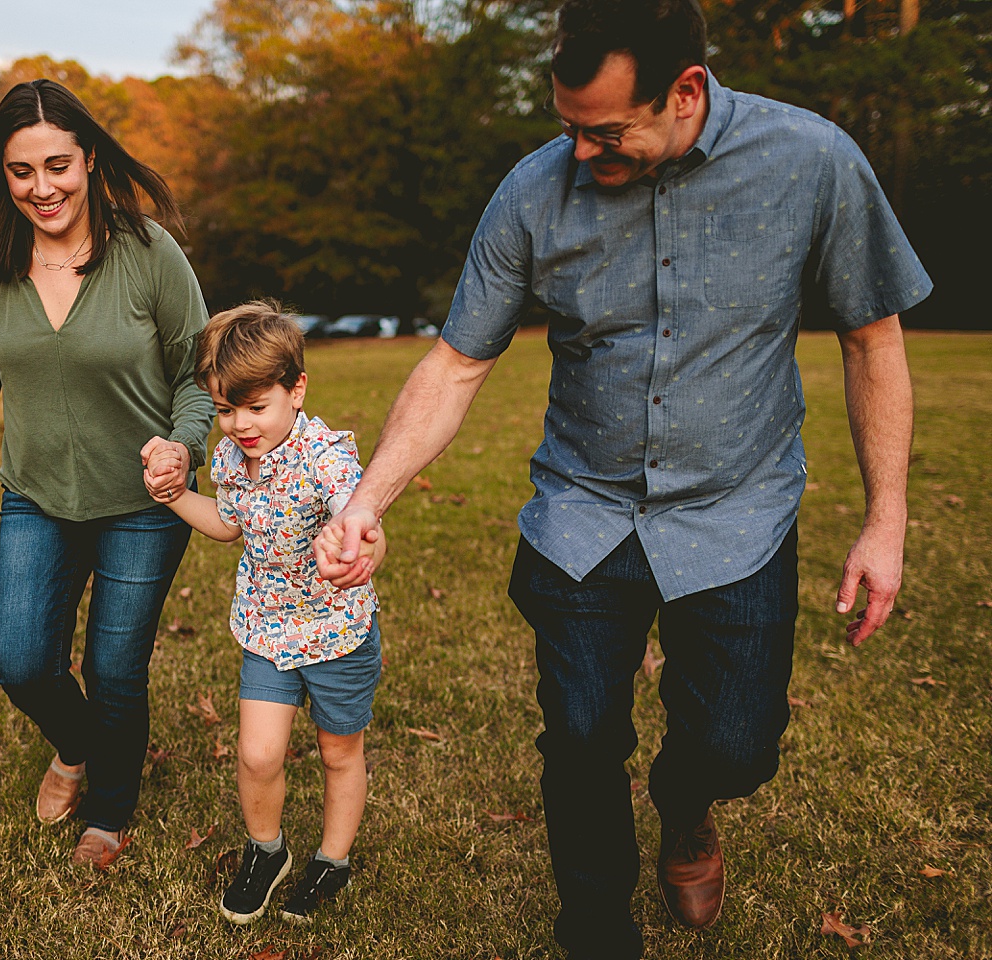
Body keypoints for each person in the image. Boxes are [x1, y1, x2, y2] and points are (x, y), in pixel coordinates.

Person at [313, 0, 930, 956]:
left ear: (685, 92)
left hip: (739, 513)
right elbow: (457, 364)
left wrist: (885, 519)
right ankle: (596, 930)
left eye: (605, 132)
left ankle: (686, 806)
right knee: (582, 741)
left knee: (736, 745)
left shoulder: (813, 162)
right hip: (583, 514)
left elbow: (871, 337)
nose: (580, 153)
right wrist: (365, 502)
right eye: (566, 127)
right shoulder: (531, 191)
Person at [0, 79, 216, 866]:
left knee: (114, 667)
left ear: (90, 160)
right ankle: (77, 745)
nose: (42, 188)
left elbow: (198, 366)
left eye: (57, 165)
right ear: (2, 176)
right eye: (21, 171)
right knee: (23, 663)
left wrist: (182, 446)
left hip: (143, 499)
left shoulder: (146, 251)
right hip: (36, 495)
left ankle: (110, 810)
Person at [144, 301, 385, 923]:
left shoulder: (324, 454)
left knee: (339, 752)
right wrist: (176, 497)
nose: (240, 425)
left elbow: (356, 513)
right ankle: (266, 851)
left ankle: (332, 861)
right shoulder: (230, 458)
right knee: (257, 754)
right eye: (225, 410)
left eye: (256, 407)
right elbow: (228, 525)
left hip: (336, 632)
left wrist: (359, 544)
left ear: (296, 388)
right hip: (267, 628)